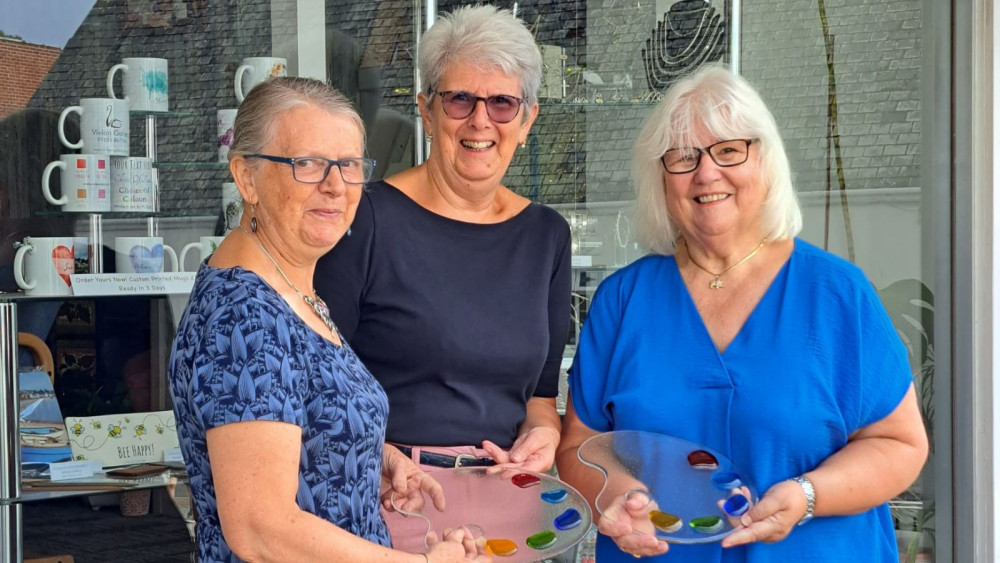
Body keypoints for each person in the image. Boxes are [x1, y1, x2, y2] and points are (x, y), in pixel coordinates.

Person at [554, 65, 929, 562]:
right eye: (683, 158)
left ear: (766, 163)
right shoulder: (623, 299)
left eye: (729, 150)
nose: (706, 173)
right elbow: (580, 444)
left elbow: (899, 444)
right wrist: (618, 494)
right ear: (660, 180)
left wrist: (808, 495)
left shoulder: (838, 294)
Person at [169, 77, 487, 563]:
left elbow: (285, 420)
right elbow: (260, 528)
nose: (336, 185)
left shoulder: (288, 286)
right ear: (246, 178)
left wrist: (361, 456)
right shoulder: (244, 313)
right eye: (308, 164)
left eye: (349, 165)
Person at [314, 4, 571, 551]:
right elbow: (316, 384)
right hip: (393, 502)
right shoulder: (366, 218)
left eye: (503, 103)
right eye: (460, 99)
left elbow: (541, 396)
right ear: (426, 111)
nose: (481, 121)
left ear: (527, 121)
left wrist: (544, 435)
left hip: (509, 506)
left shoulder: (546, 235)